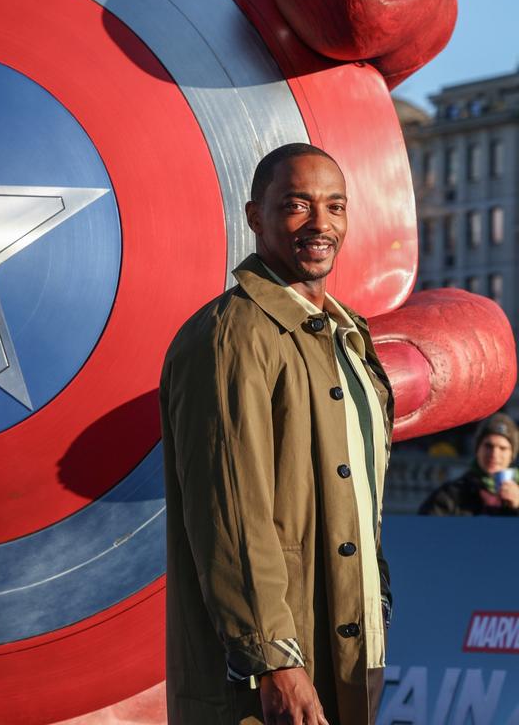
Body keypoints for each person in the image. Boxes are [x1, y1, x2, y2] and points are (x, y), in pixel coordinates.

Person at [160, 143, 393, 724]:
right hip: (267, 677)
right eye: (297, 205)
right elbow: (233, 517)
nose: (321, 224)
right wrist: (274, 663)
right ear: (254, 217)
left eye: (335, 207)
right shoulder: (232, 337)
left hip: (345, 649)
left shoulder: (344, 335)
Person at [418, 413, 519, 515]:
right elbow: (424, 527)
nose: (494, 454)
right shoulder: (451, 495)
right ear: (477, 450)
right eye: (488, 446)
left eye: (502, 448)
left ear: (512, 455)